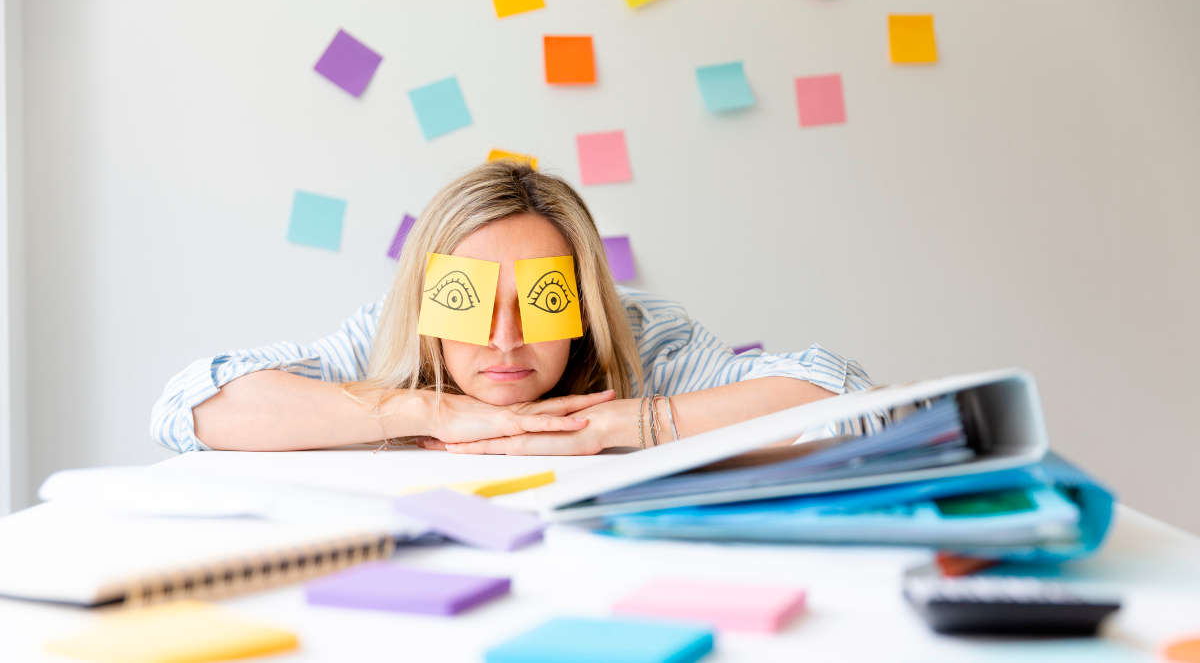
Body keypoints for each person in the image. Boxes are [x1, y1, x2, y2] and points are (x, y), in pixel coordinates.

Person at [150, 162, 880, 455]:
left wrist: (611, 426)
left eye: (542, 301)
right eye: (471, 304)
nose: (505, 340)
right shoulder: (388, 338)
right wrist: (428, 411)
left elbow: (854, 405)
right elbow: (188, 411)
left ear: (585, 305)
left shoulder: (646, 340)